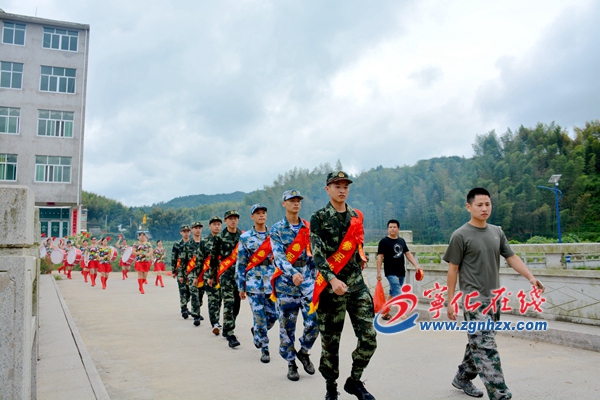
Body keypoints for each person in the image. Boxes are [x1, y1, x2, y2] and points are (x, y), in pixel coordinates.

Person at [444, 187, 545, 400]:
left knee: (480, 342)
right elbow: (453, 269)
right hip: (473, 301)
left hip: (493, 300)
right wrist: (450, 300)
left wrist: (530, 277)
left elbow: (512, 257)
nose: (484, 208)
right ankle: (500, 394)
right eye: (479, 205)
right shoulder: (460, 235)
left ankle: (462, 377)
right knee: (486, 347)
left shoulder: (497, 232)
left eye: (488, 204)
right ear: (468, 207)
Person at [310, 171, 377, 400]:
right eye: (337, 185)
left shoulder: (356, 216)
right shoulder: (319, 217)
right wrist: (332, 279)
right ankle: (331, 387)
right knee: (330, 343)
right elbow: (317, 254)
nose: (342, 190)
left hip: (356, 285)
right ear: (327, 189)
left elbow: (357, 245)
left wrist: (361, 257)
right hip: (330, 288)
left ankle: (354, 381)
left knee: (369, 337)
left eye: (345, 186)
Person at [270, 190, 319, 382]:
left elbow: (314, 254)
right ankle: (291, 363)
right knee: (287, 327)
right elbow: (278, 257)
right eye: (291, 200)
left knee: (315, 321)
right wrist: (292, 273)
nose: (296, 203)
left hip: (307, 281)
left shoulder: (308, 227)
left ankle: (304, 351)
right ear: (284, 204)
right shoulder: (276, 229)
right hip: (285, 284)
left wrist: (317, 277)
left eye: (298, 200)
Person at [236, 204, 278, 363]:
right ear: (252, 217)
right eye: (257, 213)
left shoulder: (274, 235)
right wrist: (241, 286)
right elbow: (241, 263)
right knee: (259, 316)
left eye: (263, 212)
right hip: (253, 283)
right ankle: (264, 348)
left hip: (271, 281)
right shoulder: (245, 237)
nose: (261, 215)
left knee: (273, 315)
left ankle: (258, 331)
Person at [208, 210, 242, 348]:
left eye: (235, 218)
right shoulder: (219, 237)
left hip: (239, 275)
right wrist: (212, 276)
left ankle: (229, 324)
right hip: (225, 274)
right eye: (230, 218)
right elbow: (213, 258)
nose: (233, 220)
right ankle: (229, 333)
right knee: (228, 302)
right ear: (226, 221)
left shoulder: (242, 236)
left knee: (237, 304)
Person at [376, 219, 423, 319]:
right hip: (390, 271)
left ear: (398, 229)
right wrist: (378, 272)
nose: (392, 229)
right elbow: (380, 257)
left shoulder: (401, 241)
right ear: (387, 229)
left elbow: (408, 254)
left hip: (401, 271)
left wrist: (416, 265)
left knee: (393, 292)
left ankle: (384, 312)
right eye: (390, 227)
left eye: (394, 227)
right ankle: (402, 313)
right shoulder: (383, 242)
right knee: (397, 291)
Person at [180, 222, 206, 326]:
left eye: (199, 228)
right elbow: (183, 261)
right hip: (191, 273)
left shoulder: (205, 243)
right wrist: (181, 274)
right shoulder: (187, 245)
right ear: (192, 230)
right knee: (194, 294)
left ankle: (197, 309)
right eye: (196, 228)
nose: (198, 230)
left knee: (200, 294)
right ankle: (196, 315)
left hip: (203, 273)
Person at [201, 216, 224, 335]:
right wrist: (196, 276)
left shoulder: (225, 240)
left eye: (218, 224)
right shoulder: (204, 241)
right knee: (213, 299)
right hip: (209, 275)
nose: (216, 226)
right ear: (210, 226)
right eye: (214, 224)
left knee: (221, 300)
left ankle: (222, 321)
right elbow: (200, 259)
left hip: (224, 274)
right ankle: (215, 322)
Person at [172, 225, 192, 319]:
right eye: (184, 231)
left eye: (187, 231)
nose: (186, 233)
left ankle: (186, 305)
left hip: (191, 270)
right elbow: (174, 257)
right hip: (181, 270)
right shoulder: (177, 244)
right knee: (183, 290)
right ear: (181, 232)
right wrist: (173, 271)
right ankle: (183, 308)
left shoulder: (193, 243)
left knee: (190, 291)